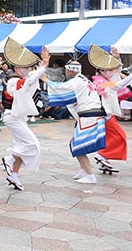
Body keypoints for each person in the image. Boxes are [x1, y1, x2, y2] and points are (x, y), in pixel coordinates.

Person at [43, 60, 104, 184]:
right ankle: (84, 169)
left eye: (67, 70)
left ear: (70, 70)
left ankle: (90, 175)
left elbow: (59, 88)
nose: (66, 72)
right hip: (91, 114)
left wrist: (45, 80)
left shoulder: (76, 82)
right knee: (73, 143)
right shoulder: (83, 79)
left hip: (89, 115)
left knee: (78, 146)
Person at [0, 38, 50, 191]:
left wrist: (42, 65)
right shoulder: (13, 81)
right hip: (12, 117)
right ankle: (10, 159)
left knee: (24, 146)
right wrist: (45, 65)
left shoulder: (22, 79)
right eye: (25, 67)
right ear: (16, 68)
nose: (28, 69)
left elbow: (30, 79)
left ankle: (13, 174)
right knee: (32, 144)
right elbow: (28, 82)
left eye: (29, 67)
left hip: (19, 118)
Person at [88, 45, 130, 174]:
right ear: (101, 71)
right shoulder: (101, 83)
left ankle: (105, 160)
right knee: (120, 136)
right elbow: (118, 84)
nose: (113, 71)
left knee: (111, 137)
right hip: (104, 115)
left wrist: (117, 59)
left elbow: (116, 76)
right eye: (109, 69)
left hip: (104, 115)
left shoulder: (103, 79)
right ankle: (102, 155)